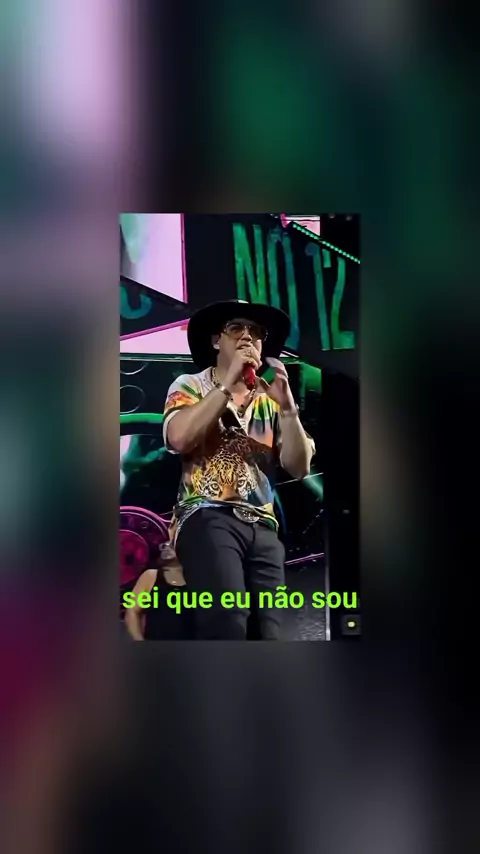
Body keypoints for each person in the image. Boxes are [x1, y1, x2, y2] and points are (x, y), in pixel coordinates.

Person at [162, 298, 315, 640]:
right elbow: (179, 438)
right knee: (227, 618)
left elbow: (299, 467)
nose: (248, 336)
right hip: (207, 514)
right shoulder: (190, 385)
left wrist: (288, 410)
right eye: (236, 329)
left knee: (268, 634)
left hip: (263, 526)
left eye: (256, 332)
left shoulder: (269, 399)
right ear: (216, 340)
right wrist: (227, 382)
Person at [124, 542, 194, 640]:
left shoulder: (197, 580)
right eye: (164, 545)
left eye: (171, 545)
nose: (165, 548)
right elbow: (132, 612)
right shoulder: (151, 576)